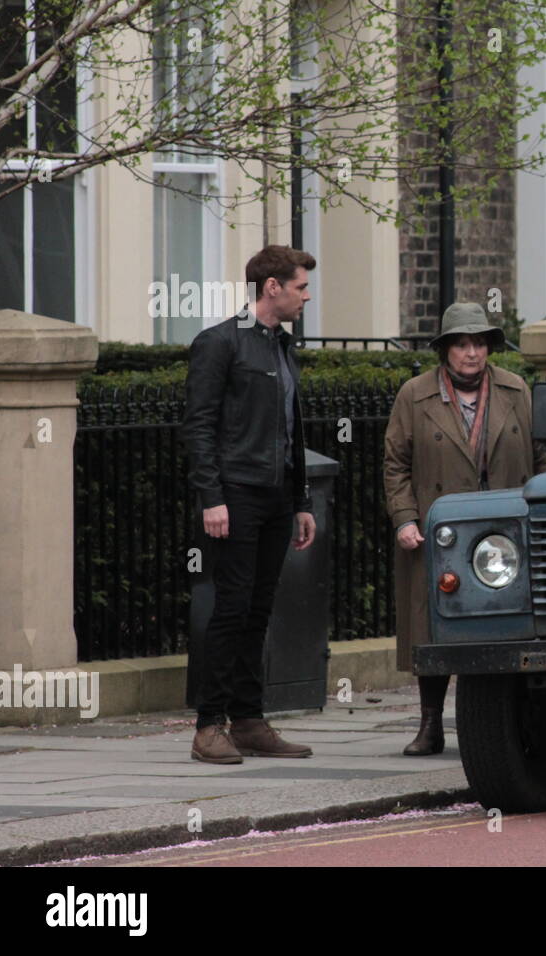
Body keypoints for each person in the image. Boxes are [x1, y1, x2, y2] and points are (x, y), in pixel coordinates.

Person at [384, 301, 546, 755]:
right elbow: (395, 466)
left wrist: (544, 511)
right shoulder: (413, 395)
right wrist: (405, 519)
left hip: (505, 528)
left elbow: (541, 458)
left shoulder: (516, 390)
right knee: (433, 628)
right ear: (445, 350)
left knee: (508, 622)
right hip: (442, 531)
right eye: (461, 344)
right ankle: (430, 724)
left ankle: (516, 725)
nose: (472, 353)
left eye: (479, 343)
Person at [182, 245, 318, 764]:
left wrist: (301, 499)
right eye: (301, 287)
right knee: (231, 608)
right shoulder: (219, 343)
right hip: (235, 493)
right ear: (272, 288)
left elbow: (291, 428)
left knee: (259, 610)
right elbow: (199, 427)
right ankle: (208, 725)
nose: (306, 296)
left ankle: (248, 719)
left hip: (276, 496)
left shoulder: (282, 347)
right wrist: (212, 498)